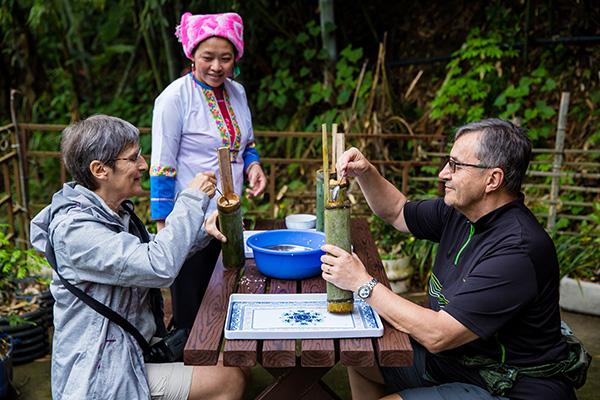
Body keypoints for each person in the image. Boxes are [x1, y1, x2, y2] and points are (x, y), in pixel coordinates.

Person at [320, 118, 578, 399]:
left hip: (510, 384)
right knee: (362, 357)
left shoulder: (517, 249)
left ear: (492, 179)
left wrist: (362, 283)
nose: (444, 173)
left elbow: (439, 334)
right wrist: (366, 172)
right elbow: (397, 211)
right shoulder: (461, 211)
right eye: (448, 162)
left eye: (456, 166)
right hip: (457, 361)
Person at [30, 115, 249, 400]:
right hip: (102, 372)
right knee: (228, 380)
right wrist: (191, 199)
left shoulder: (113, 212)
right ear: (100, 170)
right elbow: (158, 266)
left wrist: (203, 232)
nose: (144, 165)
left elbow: (148, 251)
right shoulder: (76, 231)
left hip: (131, 346)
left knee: (237, 363)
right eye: (133, 158)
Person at [150, 11, 267, 331]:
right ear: (192, 55)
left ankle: (227, 370)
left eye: (226, 58)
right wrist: (165, 236)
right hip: (189, 224)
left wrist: (254, 164)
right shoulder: (173, 98)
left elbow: (246, 142)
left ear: (236, 57)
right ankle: (196, 374)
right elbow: (161, 167)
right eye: (208, 57)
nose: (217, 66)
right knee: (191, 313)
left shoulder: (238, 92)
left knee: (226, 297)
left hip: (229, 216)